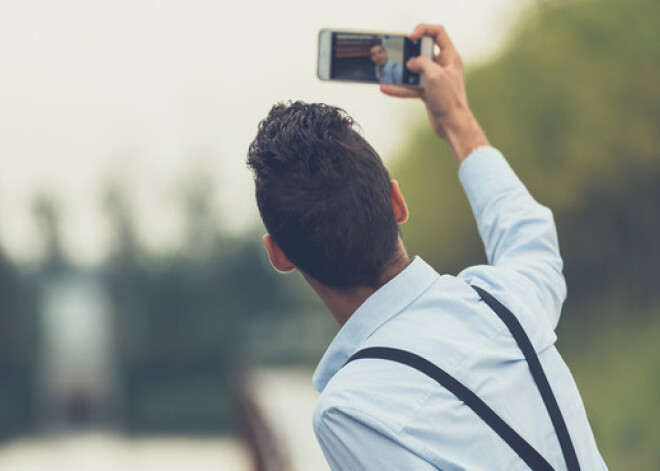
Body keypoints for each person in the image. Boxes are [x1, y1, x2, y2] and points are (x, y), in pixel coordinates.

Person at [247, 24, 607, 470]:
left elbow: (528, 235)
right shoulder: (504, 303)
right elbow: (528, 233)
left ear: (279, 255)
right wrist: (458, 120)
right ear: (397, 202)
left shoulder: (350, 411)